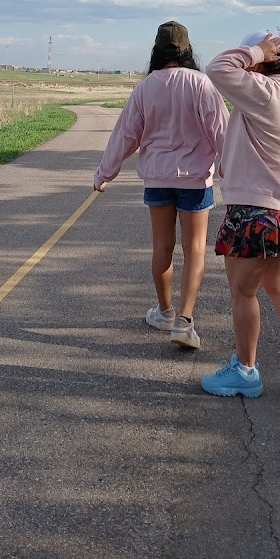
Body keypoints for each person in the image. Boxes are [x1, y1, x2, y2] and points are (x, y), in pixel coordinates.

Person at [200, 30, 280, 397]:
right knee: (278, 285)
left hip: (254, 210)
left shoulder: (263, 91)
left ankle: (245, 371)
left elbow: (217, 68)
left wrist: (255, 51)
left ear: (262, 62)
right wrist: (260, 54)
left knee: (243, 292)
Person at [93, 21, 228, 350]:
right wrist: (233, 170)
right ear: (187, 49)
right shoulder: (201, 84)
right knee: (194, 250)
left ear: (156, 49)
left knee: (162, 248)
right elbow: (222, 131)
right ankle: (185, 321)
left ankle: (165, 312)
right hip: (195, 181)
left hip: (157, 178)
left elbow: (126, 134)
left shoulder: (145, 88)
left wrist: (105, 172)